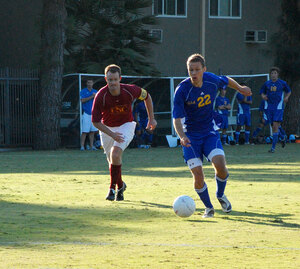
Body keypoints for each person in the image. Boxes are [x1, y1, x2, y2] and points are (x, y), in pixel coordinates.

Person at [172, 53, 252, 218]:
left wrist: (240, 89)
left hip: (209, 132)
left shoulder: (211, 79)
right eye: (190, 70)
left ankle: (220, 195)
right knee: (198, 174)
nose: (194, 73)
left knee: (220, 166)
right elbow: (177, 119)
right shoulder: (182, 90)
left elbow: (226, 80)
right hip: (190, 137)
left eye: (197, 70)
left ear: (204, 70)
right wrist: (182, 136)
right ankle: (209, 208)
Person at [92, 64, 157, 201]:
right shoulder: (101, 96)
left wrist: (151, 119)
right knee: (112, 161)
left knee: (116, 154)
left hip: (126, 125)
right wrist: (112, 134)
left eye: (115, 79)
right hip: (107, 129)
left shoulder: (130, 90)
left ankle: (111, 189)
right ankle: (121, 186)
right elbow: (96, 122)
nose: (113, 83)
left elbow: (147, 96)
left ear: (120, 78)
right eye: (110, 80)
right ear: (106, 79)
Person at [260, 67, 291, 153]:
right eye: (272, 73)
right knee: (273, 125)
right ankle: (282, 137)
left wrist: (286, 97)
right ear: (270, 75)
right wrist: (263, 96)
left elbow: (289, 91)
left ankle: (273, 148)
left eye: (275, 73)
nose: (273, 75)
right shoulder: (267, 84)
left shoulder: (282, 83)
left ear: (278, 74)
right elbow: (262, 92)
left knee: (275, 127)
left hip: (278, 107)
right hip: (269, 107)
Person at [80, 79, 98, 150]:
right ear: (86, 83)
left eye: (91, 82)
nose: (89, 84)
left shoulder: (95, 91)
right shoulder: (83, 91)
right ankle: (82, 146)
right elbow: (82, 100)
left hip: (93, 114)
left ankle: (91, 146)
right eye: (88, 82)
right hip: (86, 114)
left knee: (92, 131)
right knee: (84, 131)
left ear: (93, 83)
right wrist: (91, 97)